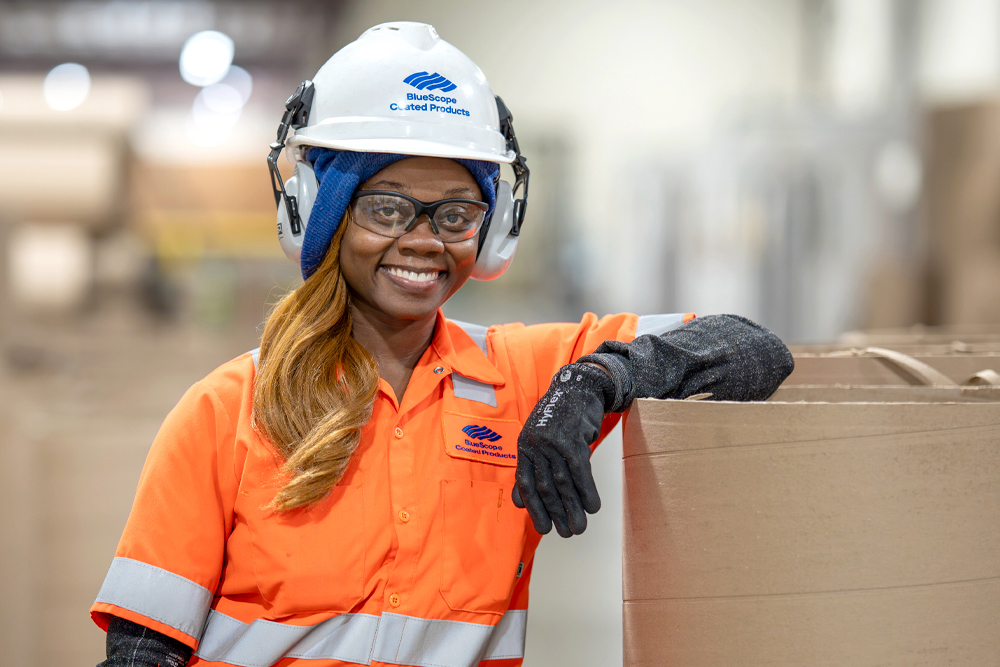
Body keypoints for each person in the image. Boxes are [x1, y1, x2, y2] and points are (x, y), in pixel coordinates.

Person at [90, 22, 794, 667]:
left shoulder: (518, 378)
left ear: (491, 232)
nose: (425, 240)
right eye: (387, 207)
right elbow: (141, 653)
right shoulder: (224, 413)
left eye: (456, 214)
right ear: (323, 214)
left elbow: (755, 349)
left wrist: (598, 380)